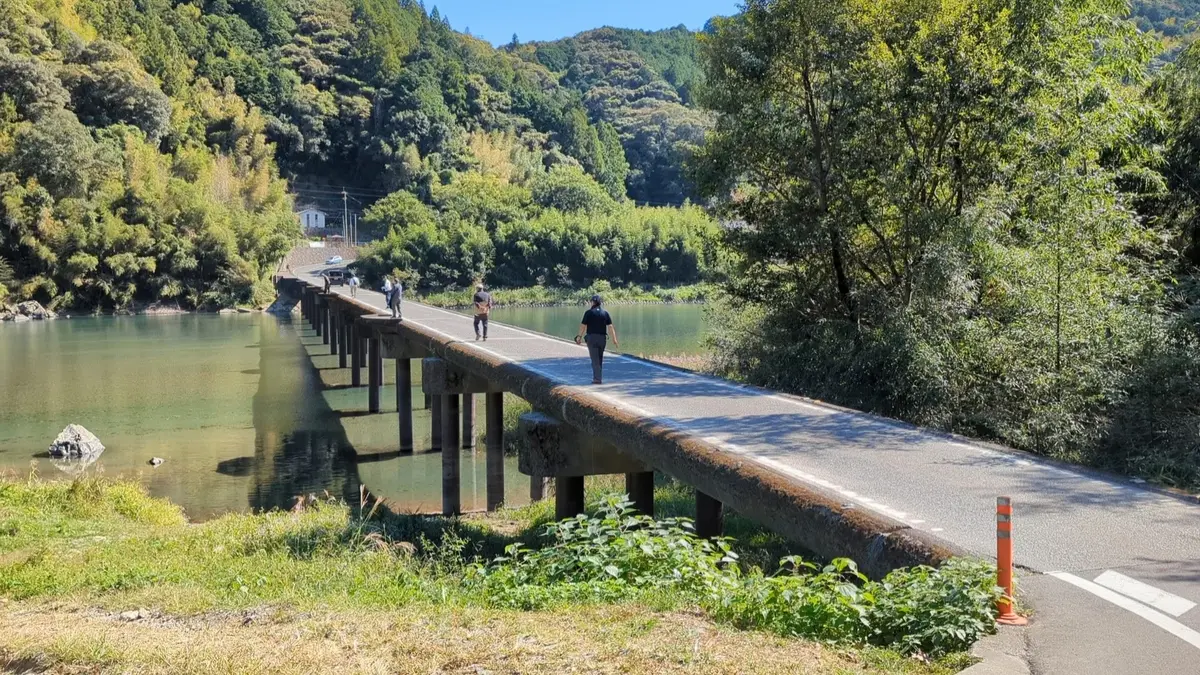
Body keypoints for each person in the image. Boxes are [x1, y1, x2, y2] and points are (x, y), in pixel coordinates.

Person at [574, 294, 618, 385]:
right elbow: (610, 327)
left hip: (592, 338)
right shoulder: (605, 313)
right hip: (602, 339)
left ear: (593, 302)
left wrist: (579, 337)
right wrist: (614, 339)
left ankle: (597, 379)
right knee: (600, 358)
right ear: (600, 303)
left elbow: (583, 326)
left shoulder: (588, 313)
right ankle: (598, 377)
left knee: (594, 359)